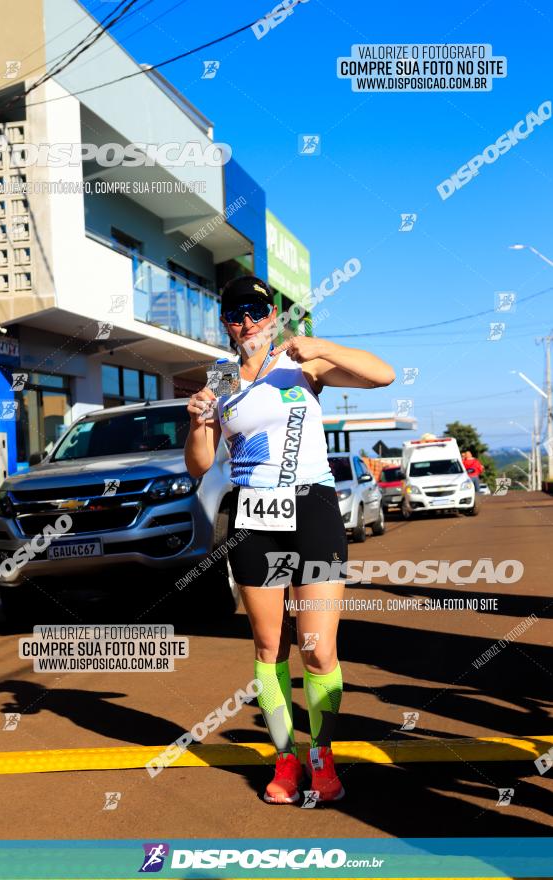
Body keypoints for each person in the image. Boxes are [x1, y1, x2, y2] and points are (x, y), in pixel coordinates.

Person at [185, 275, 395, 805]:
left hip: (313, 508)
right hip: (254, 515)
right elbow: (201, 464)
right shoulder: (220, 378)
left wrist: (321, 345)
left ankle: (321, 754)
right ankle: (285, 759)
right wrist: (195, 423)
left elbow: (384, 376)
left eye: (255, 311)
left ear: (272, 315)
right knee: (269, 645)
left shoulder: (301, 364)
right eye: (235, 314)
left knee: (319, 649)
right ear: (225, 322)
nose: (246, 323)